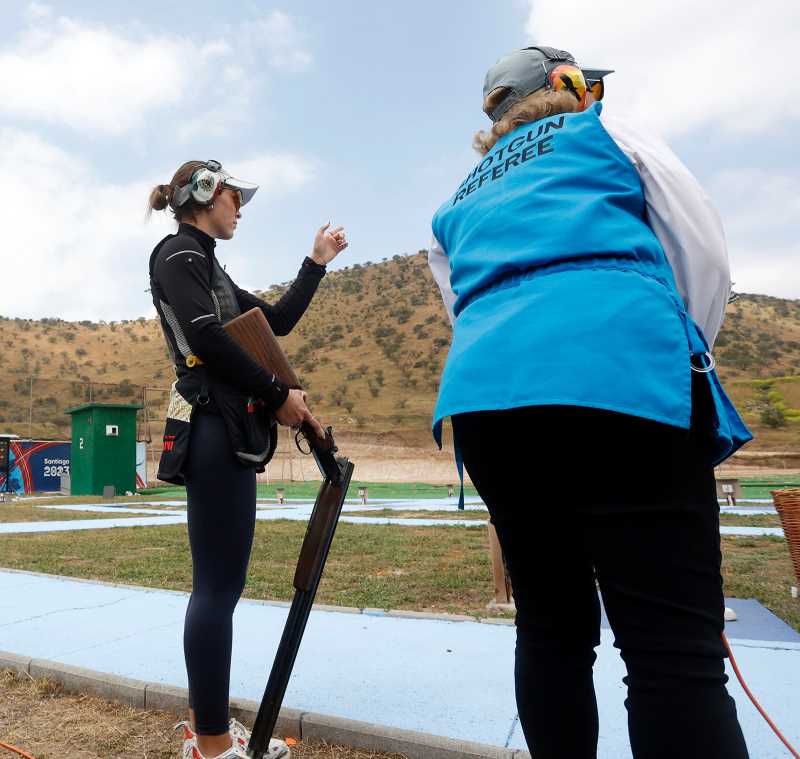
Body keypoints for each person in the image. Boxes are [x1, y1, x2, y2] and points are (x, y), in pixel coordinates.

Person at [428, 47, 752, 759]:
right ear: (569, 87)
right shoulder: (610, 131)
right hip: (622, 371)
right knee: (670, 647)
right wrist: (678, 348)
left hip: (490, 402)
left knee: (549, 627)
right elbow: (702, 251)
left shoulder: (458, 196)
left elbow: (463, 303)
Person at [147, 159, 347, 759]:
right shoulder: (179, 253)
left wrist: (315, 263)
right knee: (217, 587)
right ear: (206, 194)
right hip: (214, 427)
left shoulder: (207, 264)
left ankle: (204, 725)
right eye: (237, 197)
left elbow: (275, 322)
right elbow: (206, 340)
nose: (242, 207)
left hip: (224, 427)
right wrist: (278, 393)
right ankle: (211, 745)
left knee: (220, 585)